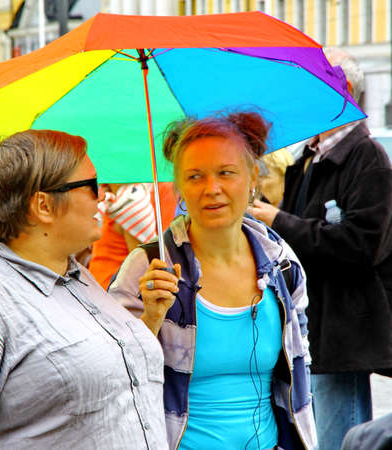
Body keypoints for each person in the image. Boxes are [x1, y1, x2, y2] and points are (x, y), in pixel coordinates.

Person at [0, 130, 168, 449]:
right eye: (91, 186)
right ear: (44, 205)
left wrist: (151, 319)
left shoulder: (78, 277)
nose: (103, 196)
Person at [109, 113, 317, 449]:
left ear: (252, 179)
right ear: (178, 186)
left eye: (226, 173)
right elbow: (110, 374)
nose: (212, 189)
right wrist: (149, 319)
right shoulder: (149, 266)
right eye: (195, 176)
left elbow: (300, 367)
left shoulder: (282, 263)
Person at [249, 48, 392, 450]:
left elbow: (360, 247)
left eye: (310, 81)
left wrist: (277, 220)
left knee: (339, 437)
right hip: (312, 325)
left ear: (340, 89)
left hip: (342, 330)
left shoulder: (367, 157)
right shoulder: (310, 155)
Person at [89, 181, 176, 289]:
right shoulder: (116, 192)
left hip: (114, 296)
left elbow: (142, 267)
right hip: (98, 290)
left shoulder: (132, 198)